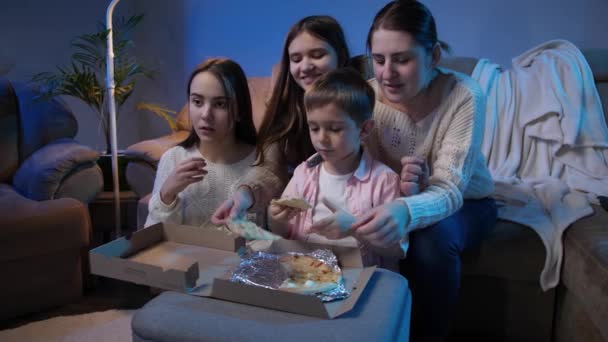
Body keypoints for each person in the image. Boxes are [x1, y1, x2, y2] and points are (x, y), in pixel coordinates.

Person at [348, 1, 498, 340]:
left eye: (402, 59)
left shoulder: (464, 95)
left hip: (467, 202)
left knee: (431, 241)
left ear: (432, 57)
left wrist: (406, 208)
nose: (387, 73)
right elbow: (362, 169)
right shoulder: (366, 98)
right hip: (393, 195)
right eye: (379, 59)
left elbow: (449, 188)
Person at [212, 15, 352, 224]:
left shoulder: (363, 103)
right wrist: (245, 195)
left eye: (318, 55)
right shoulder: (286, 109)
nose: (305, 67)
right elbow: (270, 169)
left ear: (339, 56)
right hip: (301, 226)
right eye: (296, 59)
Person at [268, 68, 405, 270]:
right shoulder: (303, 173)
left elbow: (397, 250)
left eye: (334, 129)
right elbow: (282, 233)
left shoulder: (385, 180)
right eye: (314, 128)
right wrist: (275, 219)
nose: (321, 138)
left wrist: (354, 229)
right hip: (305, 273)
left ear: (364, 129)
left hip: (360, 276)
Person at [144, 58, 257, 227]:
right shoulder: (173, 159)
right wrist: (166, 195)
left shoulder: (261, 163)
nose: (205, 114)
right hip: (184, 254)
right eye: (197, 102)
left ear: (240, 110)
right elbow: (153, 236)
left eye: (220, 104)